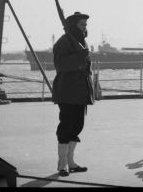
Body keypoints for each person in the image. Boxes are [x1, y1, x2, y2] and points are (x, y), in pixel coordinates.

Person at [52, 11, 94, 176]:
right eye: (82, 25)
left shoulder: (79, 41)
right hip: (68, 90)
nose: (85, 28)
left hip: (80, 91)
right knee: (66, 126)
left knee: (77, 125)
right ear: (73, 26)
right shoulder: (64, 41)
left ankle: (71, 162)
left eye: (85, 25)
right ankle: (62, 164)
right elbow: (60, 65)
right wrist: (80, 57)